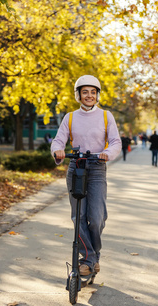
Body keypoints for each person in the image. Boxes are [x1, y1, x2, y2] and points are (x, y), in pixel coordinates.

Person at [50, 75, 121, 277]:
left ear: (97, 94)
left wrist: (108, 153)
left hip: (97, 167)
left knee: (97, 217)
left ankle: (93, 256)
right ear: (78, 95)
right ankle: (88, 259)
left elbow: (116, 141)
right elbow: (58, 140)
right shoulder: (70, 117)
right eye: (85, 92)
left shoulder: (106, 116)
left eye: (92, 92)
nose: (89, 95)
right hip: (76, 167)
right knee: (78, 216)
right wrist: (58, 152)